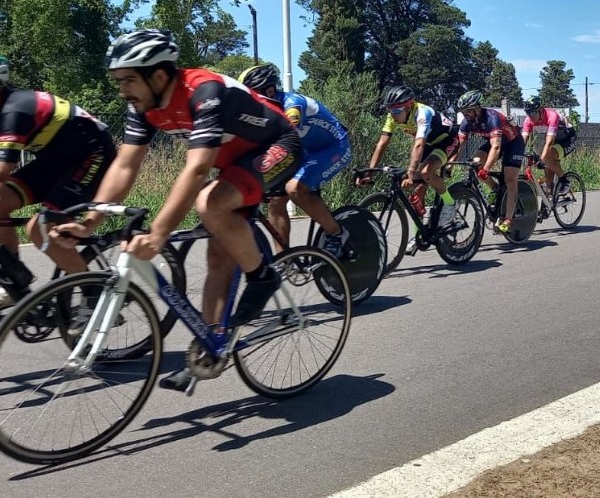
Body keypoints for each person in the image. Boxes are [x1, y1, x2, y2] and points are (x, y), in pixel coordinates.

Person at [51, 29, 303, 392]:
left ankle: (263, 276)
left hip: (279, 146)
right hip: (233, 163)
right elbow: (125, 165)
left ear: (157, 75)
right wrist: (90, 221)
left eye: (128, 80)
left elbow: (197, 169)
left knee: (210, 203)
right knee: (219, 257)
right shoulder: (144, 105)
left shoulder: (204, 92)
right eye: (119, 81)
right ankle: (211, 346)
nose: (122, 90)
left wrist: (158, 234)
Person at [0, 54, 116, 310]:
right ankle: (13, 284)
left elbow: (3, 170)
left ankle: (94, 293)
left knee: (39, 228)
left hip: (92, 154)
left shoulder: (13, 110)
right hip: (57, 159)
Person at [238, 63, 351, 255]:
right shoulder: (265, 110)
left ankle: (337, 233)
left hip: (334, 147)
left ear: (270, 91)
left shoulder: (293, 106)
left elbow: (288, 145)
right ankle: (284, 258)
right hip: (306, 151)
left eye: (253, 96)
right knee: (275, 200)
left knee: (295, 189)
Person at [357, 86, 459, 234]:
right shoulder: (392, 116)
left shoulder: (422, 113)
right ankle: (418, 232)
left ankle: (450, 203)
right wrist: (370, 171)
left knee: (425, 173)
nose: (393, 115)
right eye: (390, 110)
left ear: (409, 106)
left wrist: (411, 173)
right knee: (418, 191)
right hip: (427, 144)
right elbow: (382, 143)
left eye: (397, 111)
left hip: (446, 140)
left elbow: (418, 145)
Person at [452, 89, 524, 234]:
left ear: (477, 108)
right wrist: (449, 164)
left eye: (468, 111)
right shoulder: (467, 122)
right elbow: (459, 145)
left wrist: (487, 168)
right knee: (474, 165)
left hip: (513, 143)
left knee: (509, 179)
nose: (465, 115)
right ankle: (496, 188)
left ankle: (508, 219)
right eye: (463, 112)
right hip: (494, 143)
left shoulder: (492, 118)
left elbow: (496, 147)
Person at [520, 95, 578, 195]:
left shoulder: (552, 116)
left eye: (533, 112)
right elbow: (522, 141)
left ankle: (565, 182)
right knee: (547, 174)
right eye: (528, 113)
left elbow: (549, 142)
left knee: (547, 158)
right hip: (555, 140)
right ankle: (549, 195)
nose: (531, 116)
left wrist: (541, 159)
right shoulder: (528, 120)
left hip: (567, 139)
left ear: (541, 110)